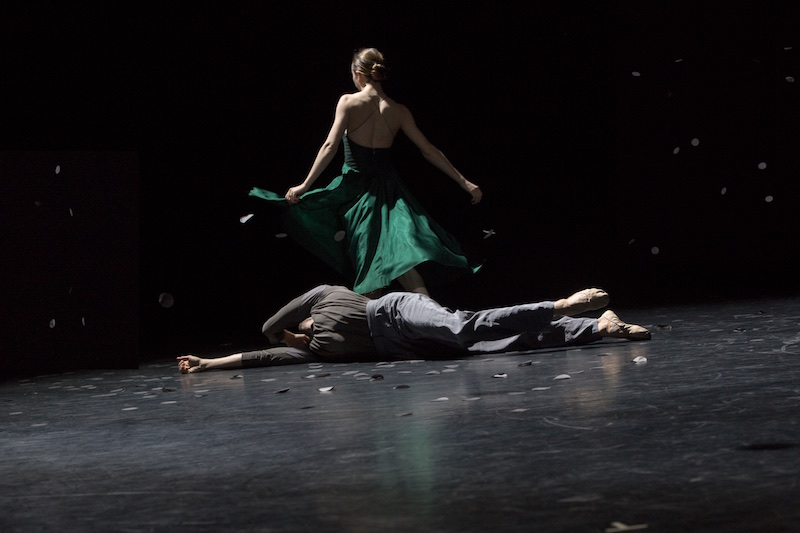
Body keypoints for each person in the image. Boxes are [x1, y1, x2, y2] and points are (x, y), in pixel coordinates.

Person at [249, 48, 482, 298]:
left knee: (378, 266)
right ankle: (429, 320)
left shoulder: (348, 101)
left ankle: (374, 326)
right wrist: (464, 181)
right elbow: (429, 150)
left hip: (359, 194)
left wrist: (304, 185)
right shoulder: (398, 110)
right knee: (401, 260)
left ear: (359, 74)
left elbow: (330, 146)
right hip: (392, 195)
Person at [177, 285, 651, 374]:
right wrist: (207, 363)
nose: (297, 338)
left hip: (397, 312)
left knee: (464, 328)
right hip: (405, 351)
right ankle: (595, 328)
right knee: (499, 345)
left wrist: (285, 333)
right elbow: (260, 357)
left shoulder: (323, 295)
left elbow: (266, 330)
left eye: (295, 333)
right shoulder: (318, 353)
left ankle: (560, 304)